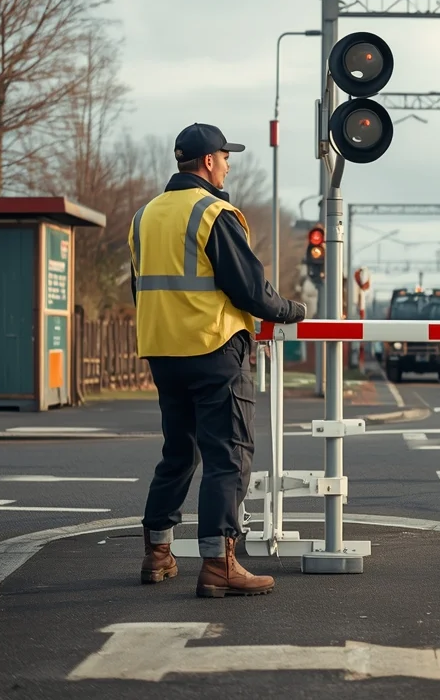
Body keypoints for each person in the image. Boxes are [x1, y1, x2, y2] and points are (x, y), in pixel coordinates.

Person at [127, 122, 306, 598]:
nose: (228, 165)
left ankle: (158, 553)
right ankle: (219, 563)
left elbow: (138, 287)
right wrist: (293, 311)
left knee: (178, 452)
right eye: (226, 157)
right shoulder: (214, 213)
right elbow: (250, 291)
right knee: (227, 456)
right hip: (213, 348)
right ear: (208, 162)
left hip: (163, 350)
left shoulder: (144, 217)